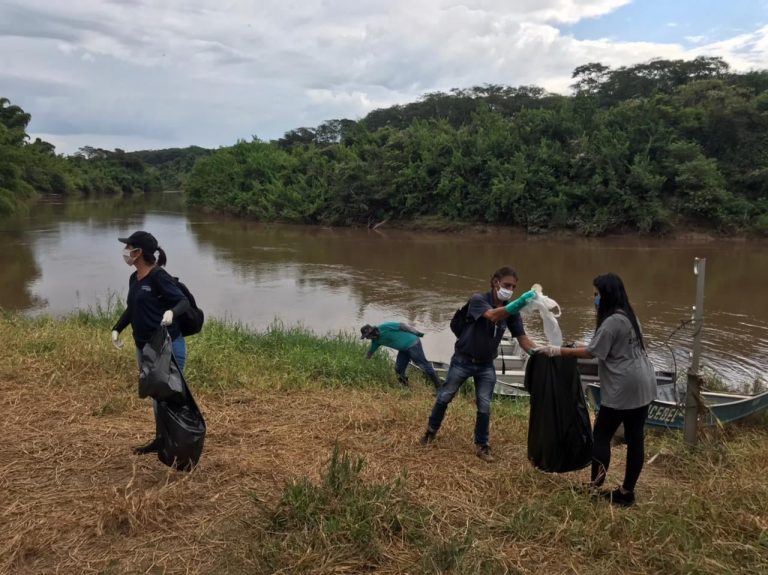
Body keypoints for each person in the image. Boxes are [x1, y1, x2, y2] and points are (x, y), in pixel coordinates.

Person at [538, 273, 656, 507]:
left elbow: (592, 353)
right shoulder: (629, 317)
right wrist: (572, 346)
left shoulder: (612, 321)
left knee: (601, 434)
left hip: (624, 385)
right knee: (635, 437)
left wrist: (558, 351)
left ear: (607, 295)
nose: (595, 299)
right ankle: (626, 492)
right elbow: (599, 347)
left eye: (597, 294)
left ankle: (595, 485)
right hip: (644, 381)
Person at [420, 266, 540, 462]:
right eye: (507, 285)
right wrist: (519, 303)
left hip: (485, 365)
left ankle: (482, 445)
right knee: (445, 396)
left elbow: (523, 340)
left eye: (514, 287)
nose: (509, 290)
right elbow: (493, 316)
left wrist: (544, 353)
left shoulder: (512, 311)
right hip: (462, 360)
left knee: (484, 405)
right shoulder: (479, 300)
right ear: (495, 282)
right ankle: (430, 432)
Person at [111, 231, 191, 455]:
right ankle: (161, 440)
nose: (126, 252)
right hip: (144, 348)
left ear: (139, 253)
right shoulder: (134, 278)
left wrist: (171, 313)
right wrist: (117, 328)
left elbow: (182, 302)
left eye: (129, 248)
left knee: (171, 396)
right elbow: (132, 308)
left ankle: (183, 442)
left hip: (167, 347)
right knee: (156, 397)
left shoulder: (159, 276)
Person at [361, 322, 442, 389]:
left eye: (367, 336)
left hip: (412, 343)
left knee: (423, 365)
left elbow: (402, 326)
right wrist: (362, 363)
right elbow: (370, 353)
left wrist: (416, 333)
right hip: (403, 350)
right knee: (398, 369)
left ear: (372, 331)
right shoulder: (375, 341)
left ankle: (439, 389)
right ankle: (406, 388)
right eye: (366, 337)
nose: (368, 338)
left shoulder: (384, 327)